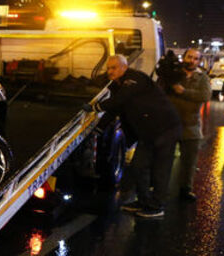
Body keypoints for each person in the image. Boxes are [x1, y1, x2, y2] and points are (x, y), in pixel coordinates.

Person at [89, 54, 181, 219]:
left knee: (160, 169)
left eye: (114, 67)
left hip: (165, 129)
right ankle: (143, 201)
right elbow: (115, 109)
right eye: (108, 68)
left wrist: (95, 107)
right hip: (147, 133)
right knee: (138, 167)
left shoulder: (134, 79)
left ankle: (157, 206)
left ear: (124, 67)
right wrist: (99, 129)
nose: (110, 71)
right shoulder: (118, 85)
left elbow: (119, 100)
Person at [164, 48, 210, 201]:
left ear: (199, 61)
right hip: (170, 124)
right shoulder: (174, 74)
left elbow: (204, 95)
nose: (192, 60)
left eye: (195, 58)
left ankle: (185, 190)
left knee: (189, 161)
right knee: (163, 159)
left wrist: (183, 92)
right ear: (184, 58)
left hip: (191, 126)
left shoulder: (202, 77)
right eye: (189, 57)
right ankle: (159, 188)